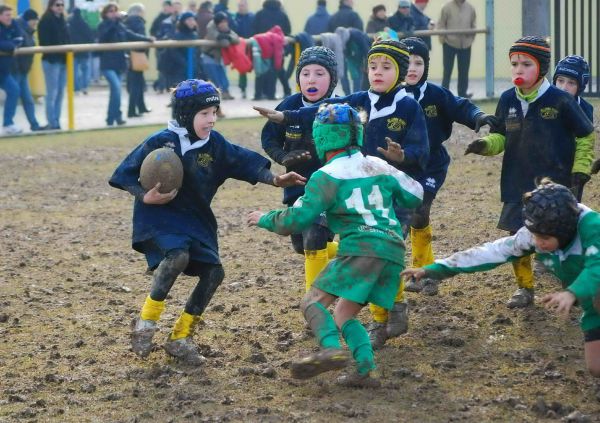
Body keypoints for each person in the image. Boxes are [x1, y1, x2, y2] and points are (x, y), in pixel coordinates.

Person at [109, 79, 305, 364]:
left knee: (215, 273)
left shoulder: (216, 146)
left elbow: (245, 163)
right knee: (177, 256)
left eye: (214, 112)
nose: (212, 119)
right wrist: (144, 196)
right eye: (205, 114)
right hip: (158, 216)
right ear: (186, 116)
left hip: (196, 218)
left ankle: (180, 337)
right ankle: (146, 323)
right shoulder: (159, 142)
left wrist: (276, 179)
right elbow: (123, 174)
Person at [255, 39, 430, 349]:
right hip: (353, 189)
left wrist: (402, 156)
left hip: (388, 191)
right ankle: (393, 304)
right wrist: (286, 118)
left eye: (386, 67)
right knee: (367, 249)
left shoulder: (408, 107)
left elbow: (422, 152)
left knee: (369, 249)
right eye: (373, 67)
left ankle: (379, 322)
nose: (377, 72)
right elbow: (321, 114)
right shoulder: (358, 99)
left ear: (400, 73)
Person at [248, 103, 424, 387]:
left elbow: (296, 219)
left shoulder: (326, 175)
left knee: (312, 303)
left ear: (321, 137)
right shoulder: (377, 165)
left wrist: (264, 218)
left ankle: (330, 348)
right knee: (343, 314)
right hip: (392, 250)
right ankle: (365, 371)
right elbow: (415, 195)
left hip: (361, 248)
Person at [402, 179, 600, 378]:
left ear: (565, 230)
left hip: (593, 291)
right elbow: (491, 252)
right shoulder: (540, 231)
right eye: (535, 236)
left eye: (545, 239)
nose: (538, 244)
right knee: (596, 368)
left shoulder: (592, 228)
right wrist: (433, 269)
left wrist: (572, 293)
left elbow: (596, 268)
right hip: (591, 302)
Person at [463, 36, 595, 309]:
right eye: (514, 64)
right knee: (518, 236)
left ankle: (571, 288)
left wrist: (581, 168)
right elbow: (500, 137)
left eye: (526, 64)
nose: (518, 70)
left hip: (555, 183)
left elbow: (585, 134)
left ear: (542, 68)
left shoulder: (560, 100)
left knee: (562, 235)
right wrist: (485, 145)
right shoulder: (508, 99)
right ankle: (524, 288)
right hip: (517, 180)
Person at [399, 37, 497, 298]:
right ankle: (422, 273)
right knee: (404, 220)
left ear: (426, 66)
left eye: (418, 62)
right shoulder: (391, 96)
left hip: (431, 164)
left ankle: (424, 274)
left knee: (419, 210)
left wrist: (479, 117)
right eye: (407, 62)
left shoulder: (435, 94)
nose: (412, 68)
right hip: (401, 166)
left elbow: (460, 106)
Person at [261, 46, 339, 292]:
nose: (311, 79)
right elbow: (269, 139)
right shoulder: (288, 105)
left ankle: (314, 303)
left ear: (332, 79)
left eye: (319, 73)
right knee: (301, 245)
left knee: (315, 235)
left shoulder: (339, 109)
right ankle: (354, 250)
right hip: (297, 188)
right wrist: (284, 156)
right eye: (305, 74)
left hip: (330, 191)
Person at [97, 2, 153, 126]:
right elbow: (104, 37)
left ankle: (114, 118)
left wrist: (147, 39)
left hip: (119, 63)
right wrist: (114, 23)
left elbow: (131, 35)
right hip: (107, 64)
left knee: (116, 92)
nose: (114, 13)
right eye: (110, 11)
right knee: (116, 89)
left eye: (115, 10)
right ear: (105, 14)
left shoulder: (120, 25)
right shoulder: (103, 25)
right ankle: (113, 117)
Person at [38, 0, 70, 130]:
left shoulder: (63, 20)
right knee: (52, 93)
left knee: (60, 93)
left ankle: (56, 120)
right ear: (51, 6)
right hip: (51, 61)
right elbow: (45, 41)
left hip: (62, 60)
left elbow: (67, 38)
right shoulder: (46, 20)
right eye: (57, 5)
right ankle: (52, 121)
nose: (60, 7)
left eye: (62, 5)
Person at [438, 0, 476, 98]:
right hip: (449, 43)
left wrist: (471, 39)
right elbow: (441, 24)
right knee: (447, 70)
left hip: (466, 44)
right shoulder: (446, 7)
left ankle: (463, 94)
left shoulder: (470, 8)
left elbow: (473, 25)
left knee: (464, 70)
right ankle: (444, 94)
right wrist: (443, 40)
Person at [13, 9, 43, 132]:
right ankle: (9, 124)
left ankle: (34, 124)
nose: (35, 23)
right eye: (34, 20)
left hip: (22, 69)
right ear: (28, 20)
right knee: (15, 97)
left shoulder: (27, 30)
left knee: (26, 98)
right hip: (16, 69)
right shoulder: (20, 30)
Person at [202, 11, 239, 100]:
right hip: (209, 57)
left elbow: (236, 39)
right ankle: (217, 96)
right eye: (222, 22)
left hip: (220, 57)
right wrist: (227, 36)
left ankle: (226, 93)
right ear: (217, 22)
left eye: (225, 22)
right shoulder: (211, 27)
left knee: (223, 78)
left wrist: (228, 33)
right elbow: (224, 43)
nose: (224, 24)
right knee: (215, 79)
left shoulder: (224, 27)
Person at [124, 3, 152, 118]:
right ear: (139, 12)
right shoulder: (138, 21)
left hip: (130, 54)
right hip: (137, 55)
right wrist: (147, 40)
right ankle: (132, 110)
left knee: (138, 83)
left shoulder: (127, 22)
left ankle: (141, 107)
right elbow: (139, 37)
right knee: (136, 84)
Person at [68, 8, 94, 96]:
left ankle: (76, 89)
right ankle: (85, 87)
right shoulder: (84, 24)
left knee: (74, 70)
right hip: (84, 49)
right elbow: (90, 36)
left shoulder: (70, 24)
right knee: (85, 69)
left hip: (73, 50)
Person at [234, 0, 254, 99]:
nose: (241, 7)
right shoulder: (235, 17)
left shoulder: (252, 17)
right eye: (240, 6)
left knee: (258, 67)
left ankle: (259, 91)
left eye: (243, 5)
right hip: (240, 47)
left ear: (247, 6)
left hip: (253, 45)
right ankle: (243, 90)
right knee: (242, 69)